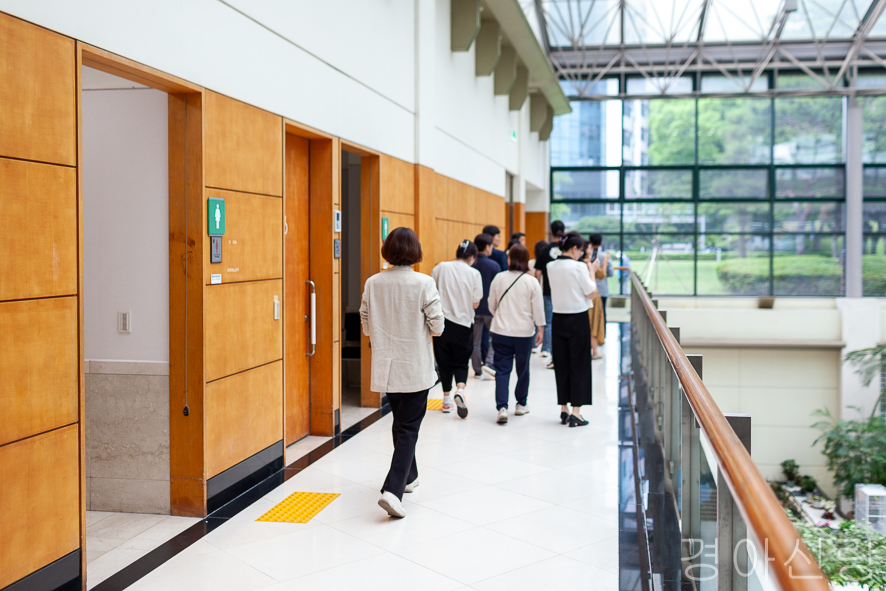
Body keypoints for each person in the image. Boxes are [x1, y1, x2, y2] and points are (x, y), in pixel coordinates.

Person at [360, 227, 444, 518]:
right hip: (416, 366)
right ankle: (393, 491)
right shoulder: (424, 282)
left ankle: (410, 476)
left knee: (401, 423)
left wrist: (379, 332)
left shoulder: (373, 282)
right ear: (415, 251)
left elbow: (366, 320)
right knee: (408, 427)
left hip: (387, 365)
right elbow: (438, 326)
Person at [488, 244, 545, 424]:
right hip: (524, 333)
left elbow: (491, 304)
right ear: (526, 260)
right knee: (523, 369)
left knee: (502, 370)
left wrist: (501, 316)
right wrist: (540, 328)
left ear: (510, 259)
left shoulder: (499, 278)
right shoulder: (531, 282)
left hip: (501, 331)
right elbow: (538, 309)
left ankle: (502, 408)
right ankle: (521, 405)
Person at [546, 231, 597, 428]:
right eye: (580, 251)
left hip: (558, 318)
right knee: (579, 364)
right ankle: (576, 412)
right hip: (577, 318)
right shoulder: (579, 267)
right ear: (574, 248)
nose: (580, 254)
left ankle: (563, 409)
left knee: (562, 363)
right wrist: (591, 269)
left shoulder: (551, 266)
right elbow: (591, 293)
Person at [431, 240, 482, 418]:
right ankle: (460, 389)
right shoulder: (474, 273)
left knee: (443, 361)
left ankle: (446, 401)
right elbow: (475, 303)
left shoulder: (440, 268)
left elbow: (431, 294)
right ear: (472, 257)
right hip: (463, 323)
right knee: (461, 361)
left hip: (441, 323)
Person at [534, 221, 566, 365]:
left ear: (550, 232)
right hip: (564, 292)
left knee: (548, 322)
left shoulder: (543, 251)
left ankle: (550, 351)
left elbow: (537, 273)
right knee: (562, 321)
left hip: (547, 291)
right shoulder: (566, 250)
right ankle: (559, 354)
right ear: (563, 231)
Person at [471, 233, 500, 379]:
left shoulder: (472, 264)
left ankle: (477, 369)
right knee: (494, 338)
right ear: (488, 247)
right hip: (490, 308)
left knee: (475, 340)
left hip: (474, 308)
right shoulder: (494, 266)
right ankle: (489, 363)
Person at [581, 241, 607, 360]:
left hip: (581, 296)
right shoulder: (589, 263)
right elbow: (602, 275)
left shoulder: (578, 263)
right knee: (594, 324)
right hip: (593, 296)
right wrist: (605, 261)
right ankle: (594, 351)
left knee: (586, 324)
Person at [588, 233, 614, 326]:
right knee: (602, 315)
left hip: (588, 290)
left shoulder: (587, 256)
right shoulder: (605, 256)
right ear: (601, 243)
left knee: (589, 315)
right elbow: (611, 273)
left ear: (590, 243)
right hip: (602, 290)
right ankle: (602, 337)